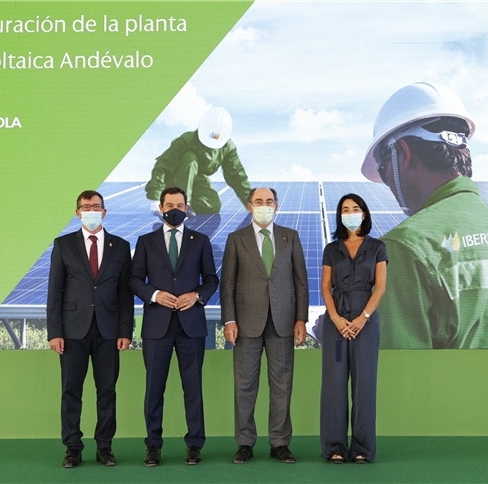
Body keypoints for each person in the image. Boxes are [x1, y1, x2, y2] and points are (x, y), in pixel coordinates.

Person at [361, 82, 488, 348]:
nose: (388, 184)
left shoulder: (401, 249)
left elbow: (391, 379)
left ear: (403, 155)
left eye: (383, 170)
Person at [130, 186, 219, 466]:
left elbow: (211, 279)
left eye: (180, 204)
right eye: (170, 204)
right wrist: (155, 295)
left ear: (187, 206)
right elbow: (134, 280)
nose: (175, 209)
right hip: (157, 325)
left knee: (193, 388)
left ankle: (194, 445)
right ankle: (153, 445)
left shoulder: (201, 240)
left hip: (191, 326)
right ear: (161, 207)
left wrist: (197, 296)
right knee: (154, 388)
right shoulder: (145, 241)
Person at [220, 187, 309, 464]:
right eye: (259, 202)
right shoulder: (236, 239)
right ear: (249, 206)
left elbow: (301, 281)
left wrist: (301, 319)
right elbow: (229, 283)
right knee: (245, 385)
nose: (264, 206)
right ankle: (245, 442)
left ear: (276, 206)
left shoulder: (290, 237)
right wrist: (230, 319)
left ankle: (280, 443)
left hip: (283, 322)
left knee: (282, 385)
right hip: (246, 323)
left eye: (269, 201)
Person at [47, 190, 134, 468]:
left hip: (109, 332)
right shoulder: (63, 245)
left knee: (107, 390)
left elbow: (124, 293)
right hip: (72, 331)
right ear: (78, 213)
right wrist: (54, 331)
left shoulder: (120, 246)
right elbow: (55, 291)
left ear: (105, 212)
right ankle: (72, 448)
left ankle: (105, 447)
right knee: (71, 390)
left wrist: (125, 330)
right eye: (86, 207)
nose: (92, 211)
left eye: (96, 206)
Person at [320, 194, 387, 464]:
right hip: (335, 321)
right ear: (339, 216)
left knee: (364, 386)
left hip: (366, 322)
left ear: (364, 213)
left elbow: (380, 286)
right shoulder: (331, 249)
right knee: (334, 386)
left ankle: (362, 448)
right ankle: (334, 447)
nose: (350, 213)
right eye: (345, 209)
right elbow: (325, 286)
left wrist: (363, 318)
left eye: (355, 208)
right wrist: (336, 318)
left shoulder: (378, 247)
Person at [145, 107, 251, 215]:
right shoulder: (186, 140)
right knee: (190, 159)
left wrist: (251, 204)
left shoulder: (228, 148)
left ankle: (182, 201)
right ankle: (178, 203)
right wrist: (156, 197)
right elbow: (163, 166)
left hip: (195, 180)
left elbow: (237, 176)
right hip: (173, 179)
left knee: (212, 206)